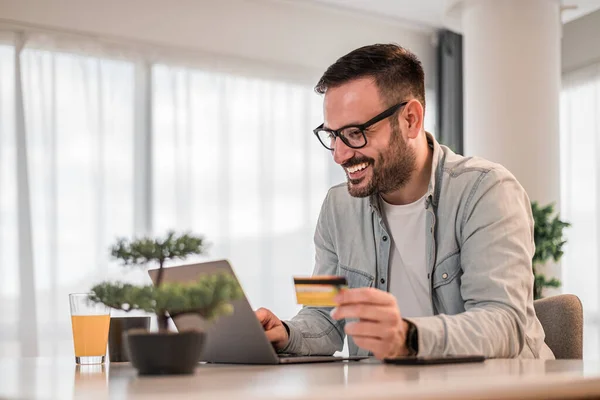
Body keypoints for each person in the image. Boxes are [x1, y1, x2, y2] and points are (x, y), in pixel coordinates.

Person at [255, 43, 554, 360]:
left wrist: (410, 337)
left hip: (501, 388)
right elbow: (324, 315)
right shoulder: (337, 206)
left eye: (355, 133)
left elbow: (504, 324)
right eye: (332, 135)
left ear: (411, 119)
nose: (340, 155)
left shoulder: (487, 190)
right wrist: (286, 333)